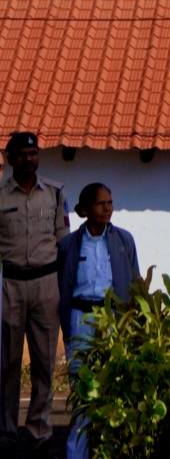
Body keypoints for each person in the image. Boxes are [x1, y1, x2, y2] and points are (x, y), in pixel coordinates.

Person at [57, 184, 140, 459]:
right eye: (100, 203)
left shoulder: (123, 240)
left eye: (110, 202)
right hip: (81, 318)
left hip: (113, 319)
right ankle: (76, 453)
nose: (107, 208)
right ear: (85, 209)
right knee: (83, 390)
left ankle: (109, 451)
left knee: (112, 388)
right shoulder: (69, 245)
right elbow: (62, 286)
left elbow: (135, 282)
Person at [0, 131, 68, 451]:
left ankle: (40, 428)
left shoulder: (54, 193)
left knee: (44, 360)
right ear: (9, 159)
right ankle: (7, 427)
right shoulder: (0, 196)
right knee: (8, 362)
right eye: (23, 154)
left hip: (46, 285)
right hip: (10, 284)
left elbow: (63, 241)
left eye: (34, 153)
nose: (30, 159)